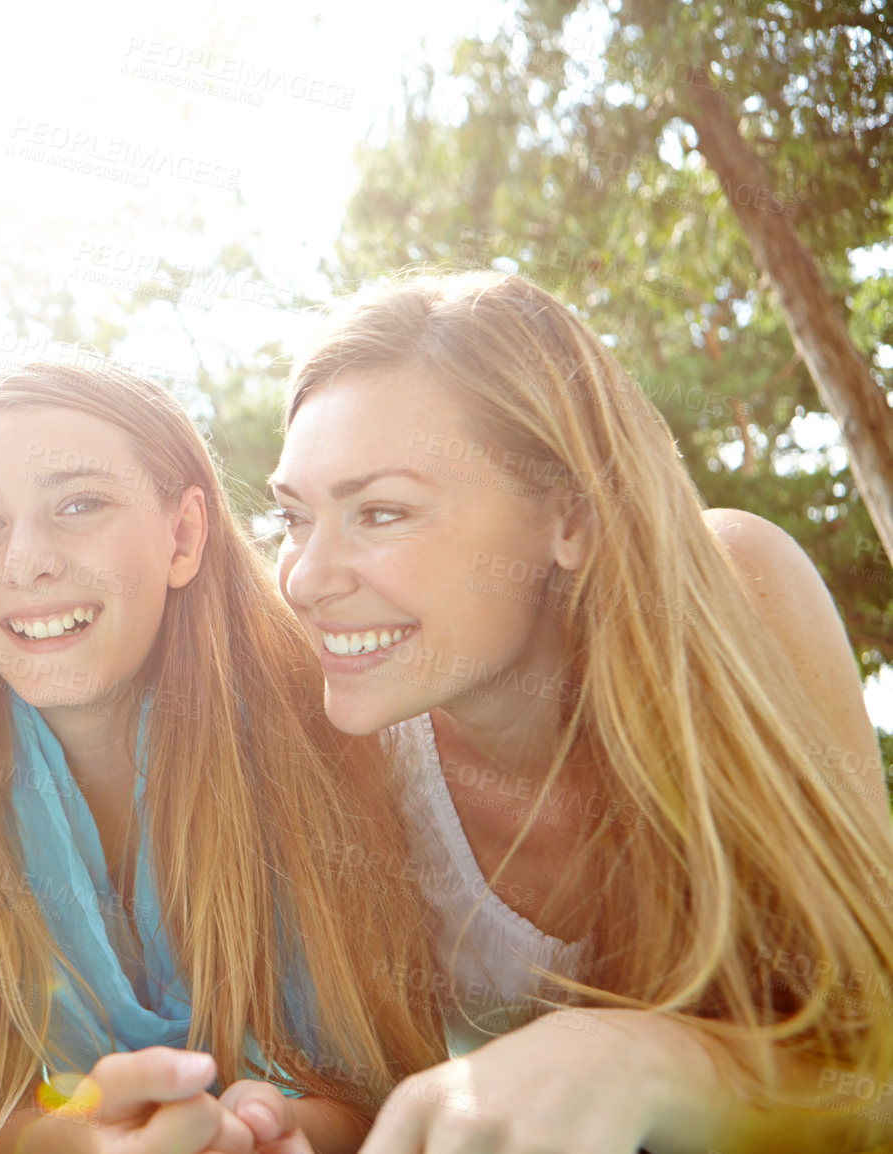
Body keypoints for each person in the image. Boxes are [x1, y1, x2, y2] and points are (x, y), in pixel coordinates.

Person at [269, 270, 893, 1152]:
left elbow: (872, 1078)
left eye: (381, 512)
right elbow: (356, 1094)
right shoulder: (336, 724)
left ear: (573, 517)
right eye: (293, 517)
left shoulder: (736, 597)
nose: (305, 578)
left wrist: (654, 1057)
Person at [0, 361, 448, 1153]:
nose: (26, 562)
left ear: (184, 535)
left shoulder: (329, 736)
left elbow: (384, 1079)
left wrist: (265, 1130)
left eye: (78, 504)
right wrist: (89, 1142)